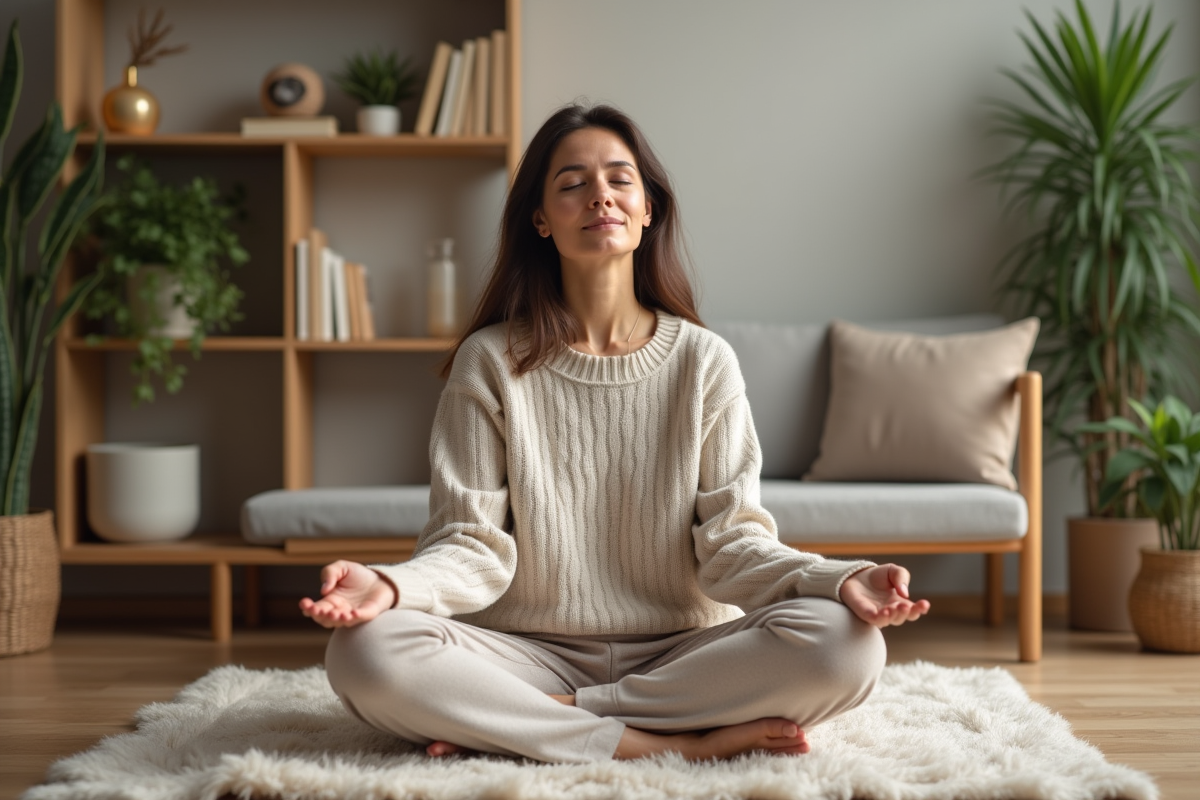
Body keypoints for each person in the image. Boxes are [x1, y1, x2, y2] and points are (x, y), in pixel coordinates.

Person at [300, 103, 930, 764]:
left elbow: (733, 543)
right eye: (572, 183)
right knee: (366, 650)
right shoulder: (489, 361)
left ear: (647, 208)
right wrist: (392, 588)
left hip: (683, 652)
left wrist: (836, 580)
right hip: (524, 653)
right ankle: (669, 745)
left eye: (620, 179)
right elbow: (471, 543)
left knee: (847, 645)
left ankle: (546, 725)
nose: (600, 193)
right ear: (540, 220)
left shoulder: (703, 360)